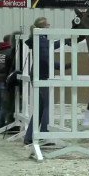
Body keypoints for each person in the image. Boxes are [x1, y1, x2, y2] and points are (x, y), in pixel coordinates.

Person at [24, 17, 71, 145]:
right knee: (46, 106)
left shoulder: (39, 39)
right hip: (42, 76)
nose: (49, 27)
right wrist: (62, 66)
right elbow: (46, 58)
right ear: (43, 26)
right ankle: (44, 135)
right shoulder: (41, 39)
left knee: (39, 108)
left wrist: (63, 41)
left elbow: (49, 46)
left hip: (37, 75)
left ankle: (29, 137)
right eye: (48, 25)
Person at [0, 34, 13, 129]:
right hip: (3, 80)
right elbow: (9, 67)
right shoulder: (10, 52)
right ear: (9, 42)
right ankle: (0, 123)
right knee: (4, 103)